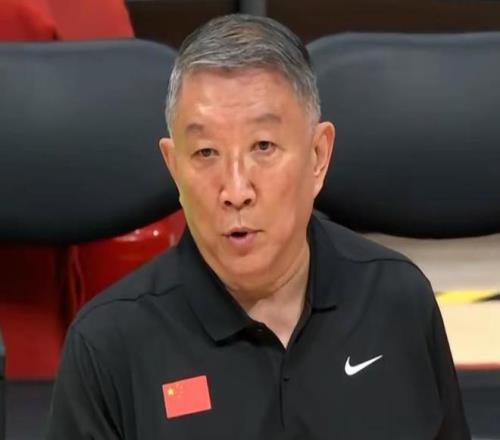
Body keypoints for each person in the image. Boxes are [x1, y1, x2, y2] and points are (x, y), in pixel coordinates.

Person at [45, 14, 470, 439]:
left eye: (263, 146)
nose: (235, 190)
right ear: (173, 167)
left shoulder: (397, 301)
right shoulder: (108, 347)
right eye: (206, 152)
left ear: (318, 156)